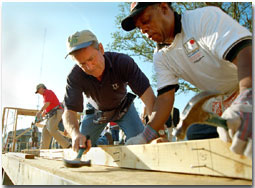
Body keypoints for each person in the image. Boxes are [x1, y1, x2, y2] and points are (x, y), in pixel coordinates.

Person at [121, 3, 252, 159]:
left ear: (163, 8)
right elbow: (164, 98)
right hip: (222, 99)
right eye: (138, 27)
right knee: (196, 131)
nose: (143, 30)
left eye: (146, 20)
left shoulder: (203, 18)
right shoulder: (161, 57)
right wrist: (145, 135)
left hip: (247, 84)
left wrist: (248, 98)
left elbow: (245, 52)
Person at [62, 30, 156, 153]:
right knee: (82, 147)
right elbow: (69, 111)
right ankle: (105, 140)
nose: (90, 67)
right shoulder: (74, 76)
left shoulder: (122, 62)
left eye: (91, 59)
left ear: (101, 48)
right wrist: (75, 134)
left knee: (143, 146)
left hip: (124, 108)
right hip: (96, 112)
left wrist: (155, 128)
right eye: (82, 64)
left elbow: (148, 96)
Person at [35, 83, 71, 149]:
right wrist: (44, 113)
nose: (38, 93)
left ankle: (67, 145)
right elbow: (49, 105)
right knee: (45, 130)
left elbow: (47, 103)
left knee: (51, 129)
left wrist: (40, 111)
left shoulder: (47, 92)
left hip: (56, 112)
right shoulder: (45, 95)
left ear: (41, 88)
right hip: (51, 114)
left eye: (38, 91)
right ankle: (43, 150)